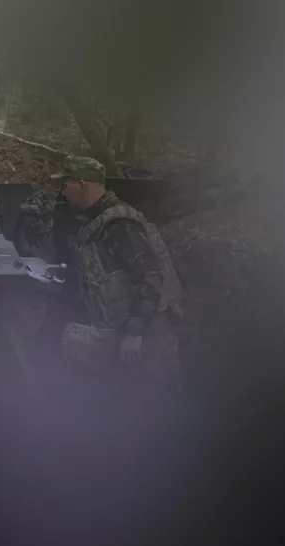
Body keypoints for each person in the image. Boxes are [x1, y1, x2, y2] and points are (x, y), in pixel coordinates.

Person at [51, 155, 185, 397]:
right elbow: (107, 271)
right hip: (122, 335)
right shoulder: (99, 221)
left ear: (81, 184)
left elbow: (152, 277)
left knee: (153, 410)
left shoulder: (120, 224)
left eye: (65, 184)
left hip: (146, 338)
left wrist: (134, 333)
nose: (63, 192)